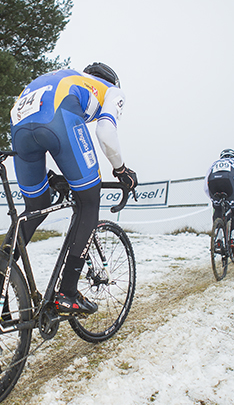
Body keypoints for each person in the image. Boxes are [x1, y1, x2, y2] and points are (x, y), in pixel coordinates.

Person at [8, 62, 137, 316]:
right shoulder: (111, 90)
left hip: (19, 126)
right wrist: (121, 170)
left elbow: (37, 123)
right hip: (58, 118)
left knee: (36, 207)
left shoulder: (69, 77)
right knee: (89, 201)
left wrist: (53, 176)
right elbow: (106, 132)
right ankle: (67, 293)